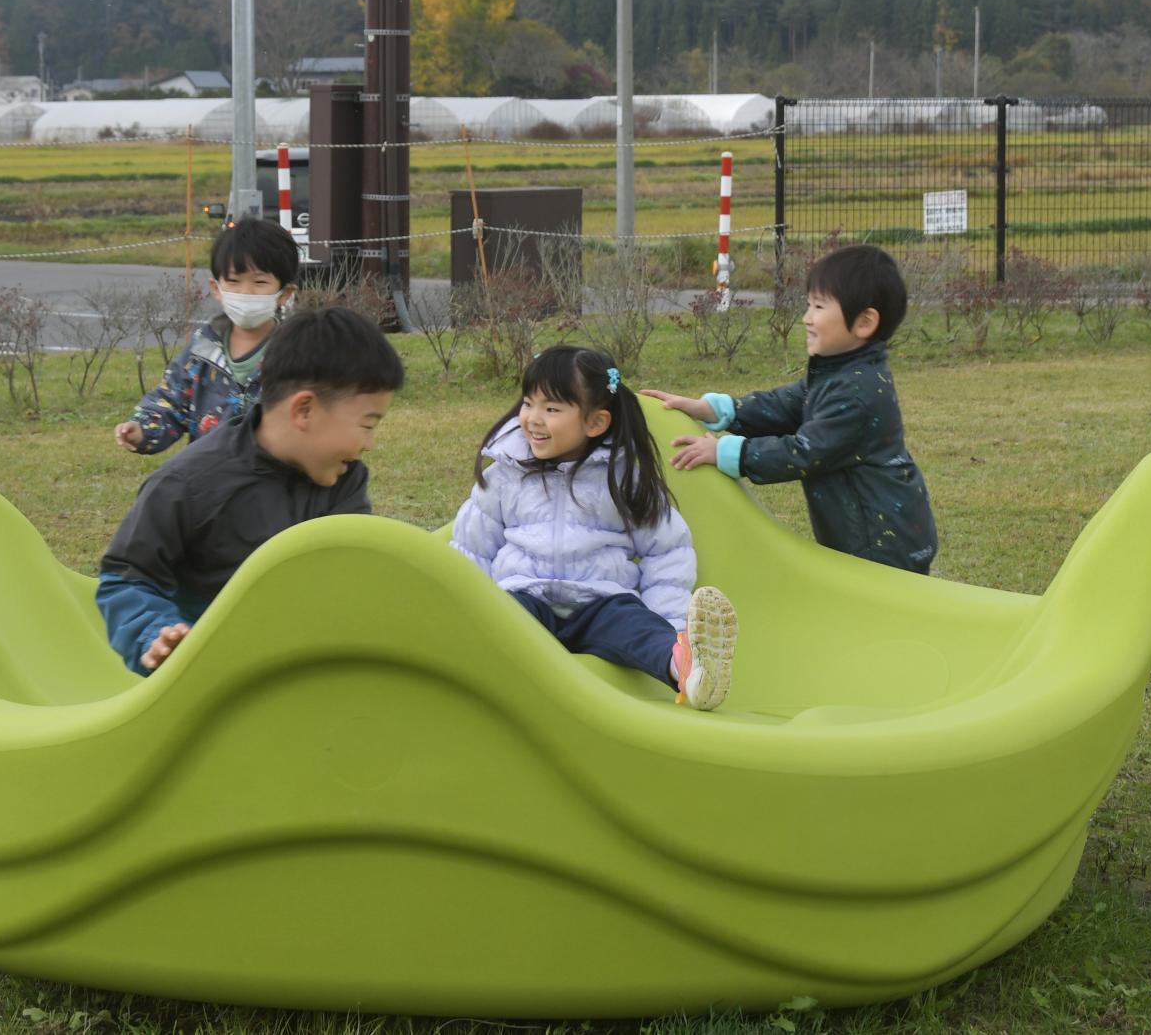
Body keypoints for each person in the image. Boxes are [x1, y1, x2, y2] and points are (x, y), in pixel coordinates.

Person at [97, 305, 404, 674]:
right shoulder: (188, 485)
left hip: (299, 672)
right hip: (207, 679)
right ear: (304, 410)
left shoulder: (344, 480)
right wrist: (155, 634)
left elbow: (348, 576)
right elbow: (127, 575)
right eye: (368, 425)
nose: (369, 444)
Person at [452, 345, 738, 710]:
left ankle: (688, 668)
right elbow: (471, 548)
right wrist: (466, 614)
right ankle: (470, 678)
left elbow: (665, 552)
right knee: (503, 622)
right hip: (526, 595)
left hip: (600, 601)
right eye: (528, 403)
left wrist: (669, 623)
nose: (533, 419)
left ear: (595, 422)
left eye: (552, 409)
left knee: (635, 627)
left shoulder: (623, 478)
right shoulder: (506, 475)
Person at [645, 243, 937, 575]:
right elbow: (784, 404)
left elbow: (804, 452)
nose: (807, 318)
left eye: (818, 306)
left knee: (885, 620)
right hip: (869, 533)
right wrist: (714, 410)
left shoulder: (857, 393)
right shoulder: (840, 374)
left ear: (864, 323)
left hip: (881, 541)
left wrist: (728, 452)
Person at [116, 218, 300, 454]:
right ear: (217, 289)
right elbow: (171, 401)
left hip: (275, 480)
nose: (245, 292)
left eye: (259, 282)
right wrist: (142, 430)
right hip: (209, 480)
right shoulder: (203, 349)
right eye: (233, 281)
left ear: (285, 294)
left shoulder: (297, 353)